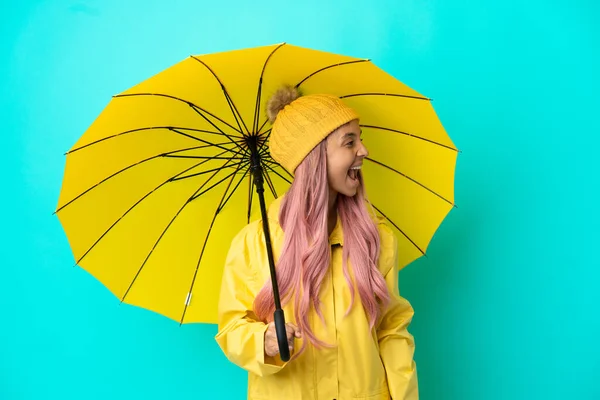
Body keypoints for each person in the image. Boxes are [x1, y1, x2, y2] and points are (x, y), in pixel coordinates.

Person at [215, 86, 418, 400]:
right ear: (313, 157)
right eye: (349, 142)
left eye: (360, 139)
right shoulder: (255, 245)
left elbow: (392, 330)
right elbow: (232, 328)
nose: (363, 151)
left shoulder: (375, 239)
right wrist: (263, 341)